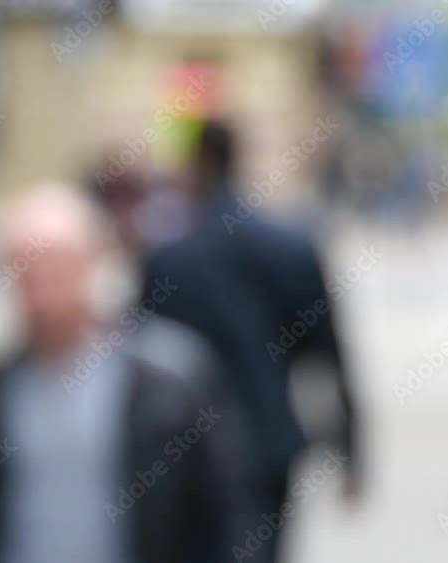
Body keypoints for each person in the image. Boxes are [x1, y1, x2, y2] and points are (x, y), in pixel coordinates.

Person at [0, 184, 256, 563]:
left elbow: (227, 514)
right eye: (25, 272)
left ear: (93, 264)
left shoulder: (173, 381)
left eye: (55, 269)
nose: (41, 292)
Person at [140, 120, 363, 562]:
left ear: (197, 164)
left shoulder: (168, 261)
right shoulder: (292, 249)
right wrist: (353, 452)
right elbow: (331, 354)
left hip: (185, 449)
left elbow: (137, 363)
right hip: (268, 441)